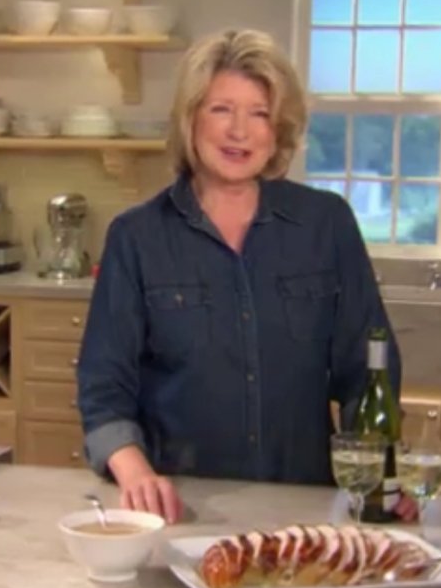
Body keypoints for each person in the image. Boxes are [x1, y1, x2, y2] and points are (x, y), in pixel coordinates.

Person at [76, 28, 402, 524]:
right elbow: (103, 386)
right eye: (221, 109)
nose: (239, 132)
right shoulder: (136, 237)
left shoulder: (326, 224)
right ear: (190, 119)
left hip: (304, 507)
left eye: (259, 114)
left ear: (278, 130)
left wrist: (378, 477)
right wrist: (136, 473)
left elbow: (369, 370)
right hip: (180, 506)